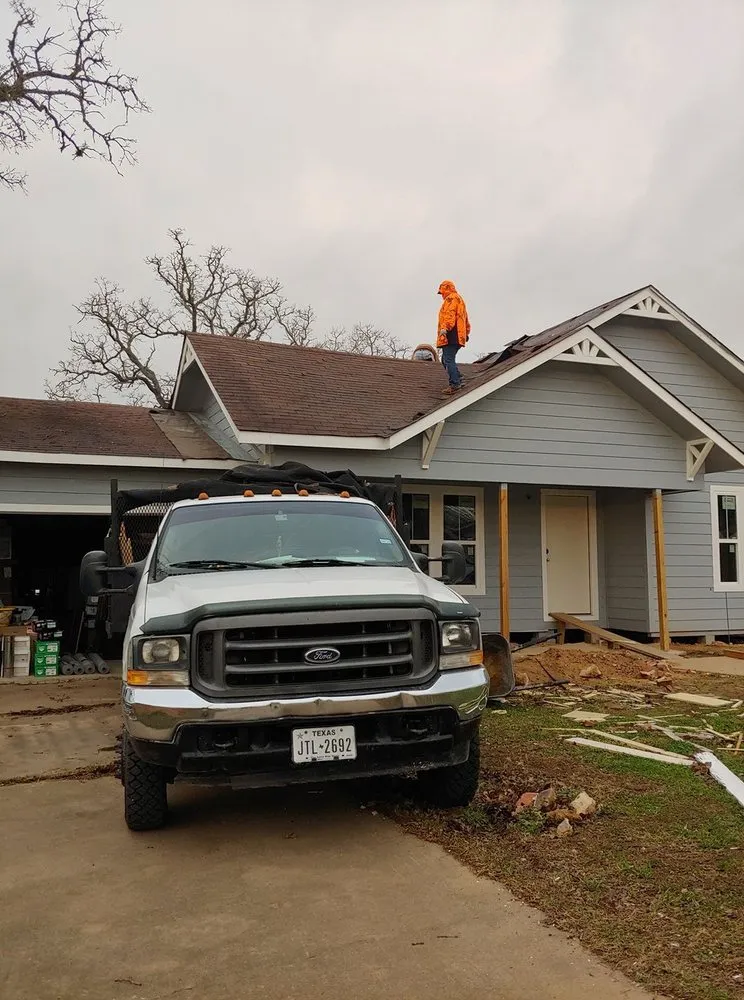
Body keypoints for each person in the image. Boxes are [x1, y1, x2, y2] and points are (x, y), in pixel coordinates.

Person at [437, 280, 470, 394]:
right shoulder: (459, 299)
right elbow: (465, 318)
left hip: (451, 334)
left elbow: (450, 315)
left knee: (448, 359)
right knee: (445, 359)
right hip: (458, 334)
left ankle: (455, 384)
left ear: (446, 289)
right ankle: (458, 378)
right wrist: (466, 332)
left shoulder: (451, 299)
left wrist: (444, 328)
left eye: (441, 292)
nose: (441, 295)